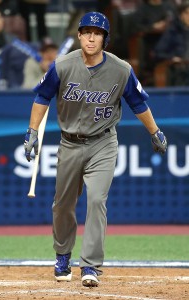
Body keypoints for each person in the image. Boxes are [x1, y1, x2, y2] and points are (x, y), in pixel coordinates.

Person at [24, 12, 167, 287]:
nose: (91, 37)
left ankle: (90, 266)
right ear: (78, 35)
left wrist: (155, 131)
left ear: (105, 39)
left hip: (103, 142)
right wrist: (32, 131)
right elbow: (42, 97)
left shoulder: (121, 69)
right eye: (86, 32)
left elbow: (138, 103)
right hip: (70, 142)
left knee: (97, 200)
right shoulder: (63, 65)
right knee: (63, 205)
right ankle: (63, 255)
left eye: (97, 33)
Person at [132, 0, 175, 86]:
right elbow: (135, 28)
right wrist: (152, 27)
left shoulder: (169, 6)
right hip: (150, 43)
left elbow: (178, 22)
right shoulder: (142, 8)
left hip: (172, 41)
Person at [155, 2, 189, 85]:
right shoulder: (173, 31)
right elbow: (158, 52)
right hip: (181, 68)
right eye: (187, 13)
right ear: (181, 16)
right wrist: (172, 58)